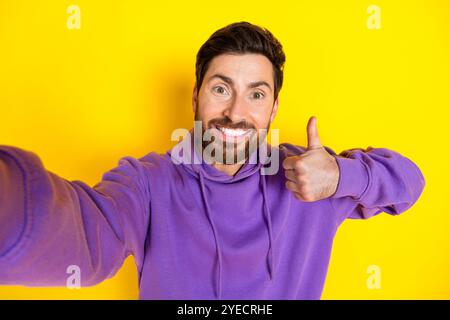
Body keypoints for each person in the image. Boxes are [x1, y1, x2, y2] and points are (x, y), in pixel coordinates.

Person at [0, 21, 425, 300]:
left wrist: (342, 175)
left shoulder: (311, 177)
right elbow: (85, 231)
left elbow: (410, 184)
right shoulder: (148, 182)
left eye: (256, 95)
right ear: (196, 96)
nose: (236, 112)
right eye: (221, 88)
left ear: (274, 108)